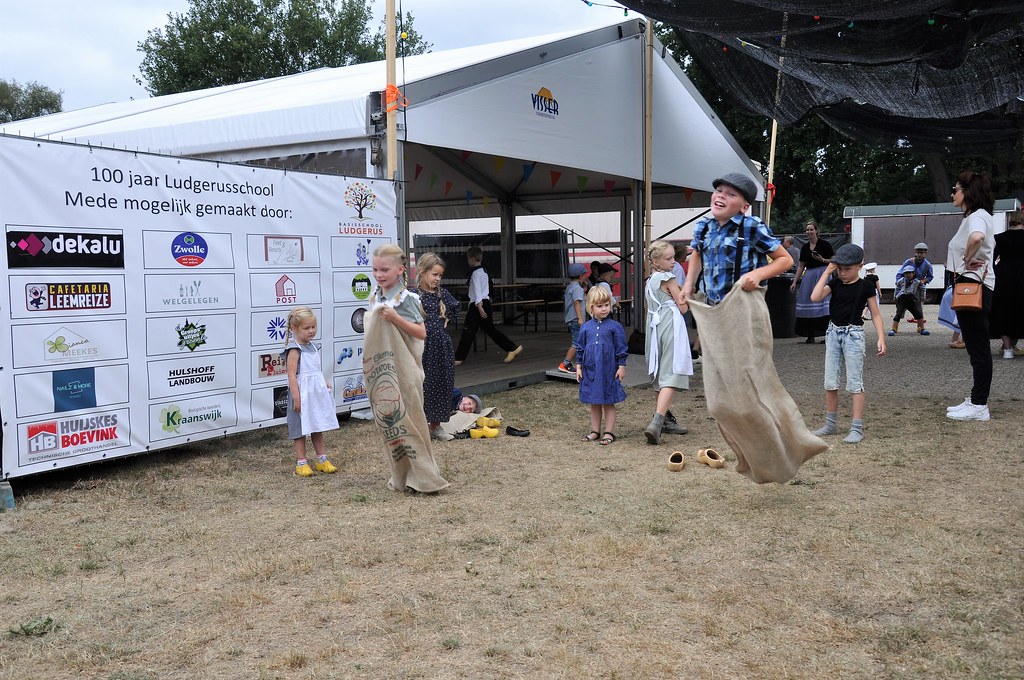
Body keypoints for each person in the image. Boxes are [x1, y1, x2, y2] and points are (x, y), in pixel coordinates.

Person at [363, 244, 449, 492]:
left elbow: (421, 333)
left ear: (401, 270)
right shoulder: (376, 297)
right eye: (375, 270)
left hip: (406, 370)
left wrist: (395, 318)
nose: (379, 275)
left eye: (385, 270)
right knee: (393, 425)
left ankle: (424, 476)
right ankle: (402, 475)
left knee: (413, 423)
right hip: (384, 370)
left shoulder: (407, 299)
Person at [808, 244, 887, 444]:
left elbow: (876, 314)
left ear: (860, 266)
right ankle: (830, 424)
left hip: (854, 335)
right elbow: (815, 297)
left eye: (847, 269)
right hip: (833, 333)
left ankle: (857, 427)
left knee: (854, 383)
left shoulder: (866, 286)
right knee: (830, 381)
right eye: (840, 269)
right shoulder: (835, 282)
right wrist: (827, 272)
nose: (842, 273)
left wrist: (881, 338)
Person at [945, 171, 997, 422]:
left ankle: (979, 404)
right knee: (976, 346)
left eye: (955, 189)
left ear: (968, 192)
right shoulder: (976, 216)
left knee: (978, 347)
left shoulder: (977, 216)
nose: (952, 194)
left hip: (973, 285)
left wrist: (966, 258)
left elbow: (977, 237)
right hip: (972, 284)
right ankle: (976, 399)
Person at [644, 240, 693, 444]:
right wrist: (684, 295)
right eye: (669, 258)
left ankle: (664, 420)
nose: (673, 261)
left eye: (673, 257)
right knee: (671, 372)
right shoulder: (668, 278)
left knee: (659, 373)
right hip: (670, 325)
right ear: (656, 261)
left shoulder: (650, 281)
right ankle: (657, 422)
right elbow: (683, 308)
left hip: (654, 328)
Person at [282, 306, 339, 477]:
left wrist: (323, 383)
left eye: (313, 327)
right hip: (301, 395)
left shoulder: (313, 346)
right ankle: (301, 462)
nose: (311, 331)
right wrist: (296, 397)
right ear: (294, 328)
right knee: (299, 429)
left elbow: (314, 371)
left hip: (315, 395)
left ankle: (322, 459)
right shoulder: (294, 350)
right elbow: (292, 375)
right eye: (306, 328)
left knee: (317, 425)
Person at [412, 252, 460, 441]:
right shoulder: (413, 296)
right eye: (434, 274)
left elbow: (455, 308)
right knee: (422, 385)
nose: (437, 279)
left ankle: (436, 426)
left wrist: (447, 317)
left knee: (442, 384)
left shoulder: (442, 294)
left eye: (440, 275)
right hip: (421, 347)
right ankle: (419, 426)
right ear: (422, 272)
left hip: (441, 347)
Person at [453, 246, 522, 366]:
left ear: (472, 258)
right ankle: (512, 348)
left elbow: (478, 291)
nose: (467, 261)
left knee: (467, 331)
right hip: (486, 303)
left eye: (468, 259)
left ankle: (459, 357)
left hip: (477, 305)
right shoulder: (484, 271)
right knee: (490, 330)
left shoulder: (475, 273)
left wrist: (479, 306)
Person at [576, 286, 628, 445]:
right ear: (591, 307)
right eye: (599, 306)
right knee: (595, 401)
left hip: (608, 370)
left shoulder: (615, 326)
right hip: (591, 370)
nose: (604, 309)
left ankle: (609, 432)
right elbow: (580, 348)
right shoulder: (586, 327)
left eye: (606, 305)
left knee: (608, 401)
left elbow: (621, 348)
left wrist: (621, 366)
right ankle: (595, 431)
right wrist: (578, 366)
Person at [790, 221, 834, 343]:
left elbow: (834, 261)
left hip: (823, 275)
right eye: (807, 230)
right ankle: (810, 335)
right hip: (809, 276)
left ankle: (827, 335)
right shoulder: (805, 247)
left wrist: (822, 259)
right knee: (808, 303)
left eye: (811, 229)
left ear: (816, 231)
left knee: (825, 305)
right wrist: (795, 281)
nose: (809, 232)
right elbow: (801, 266)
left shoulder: (825, 245)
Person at [990, 210, 1024, 359]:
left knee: (1003, 312)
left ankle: (1008, 350)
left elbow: (991, 260)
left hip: (1003, 277)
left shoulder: (999, 238)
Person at [558, 262, 588, 373]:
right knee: (576, 343)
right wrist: (580, 318)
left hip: (571, 319)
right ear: (581, 276)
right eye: (584, 275)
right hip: (576, 319)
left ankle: (580, 362)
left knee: (579, 341)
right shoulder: (577, 288)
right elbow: (577, 302)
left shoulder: (570, 286)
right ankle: (565, 363)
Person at [889, 264, 928, 336]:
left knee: (918, 314)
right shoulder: (901, 281)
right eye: (906, 273)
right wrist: (895, 296)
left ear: (913, 273)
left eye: (910, 273)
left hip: (911, 299)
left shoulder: (916, 281)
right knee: (898, 314)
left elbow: (922, 288)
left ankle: (921, 328)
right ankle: (893, 329)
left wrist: (922, 298)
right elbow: (897, 288)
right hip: (902, 299)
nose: (908, 275)